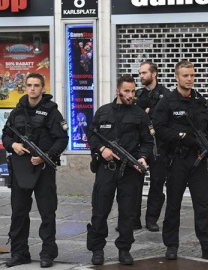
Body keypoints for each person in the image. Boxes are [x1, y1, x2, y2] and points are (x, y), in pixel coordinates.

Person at [152, 60, 208, 262]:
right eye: (185, 75)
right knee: (173, 204)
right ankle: (171, 245)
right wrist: (181, 136)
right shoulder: (167, 102)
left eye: (192, 75)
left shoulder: (200, 100)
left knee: (203, 205)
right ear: (177, 77)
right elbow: (158, 128)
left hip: (199, 162)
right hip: (177, 160)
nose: (190, 79)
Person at [2, 73, 68, 268]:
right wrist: (13, 145)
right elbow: (5, 135)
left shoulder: (52, 112)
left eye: (36, 85)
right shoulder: (17, 111)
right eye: (29, 85)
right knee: (18, 213)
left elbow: (62, 139)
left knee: (47, 213)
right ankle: (19, 252)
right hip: (21, 167)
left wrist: (46, 155)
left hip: (43, 168)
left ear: (42, 89)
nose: (32, 89)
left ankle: (47, 253)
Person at [86, 75, 154, 266]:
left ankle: (124, 249)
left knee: (128, 212)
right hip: (106, 169)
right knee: (100, 210)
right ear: (118, 91)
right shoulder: (103, 112)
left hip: (129, 171)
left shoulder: (140, 114)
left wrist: (142, 157)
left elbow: (148, 141)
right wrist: (102, 149)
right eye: (126, 91)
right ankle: (97, 249)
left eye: (133, 91)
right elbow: (92, 135)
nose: (130, 95)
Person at [134, 62, 170, 232]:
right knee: (134, 183)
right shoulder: (138, 95)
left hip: (159, 146)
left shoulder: (166, 95)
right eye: (140, 73)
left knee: (157, 183)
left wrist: (149, 115)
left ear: (154, 74)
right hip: (139, 145)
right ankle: (133, 219)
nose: (141, 76)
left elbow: (165, 121)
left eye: (144, 73)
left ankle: (151, 219)